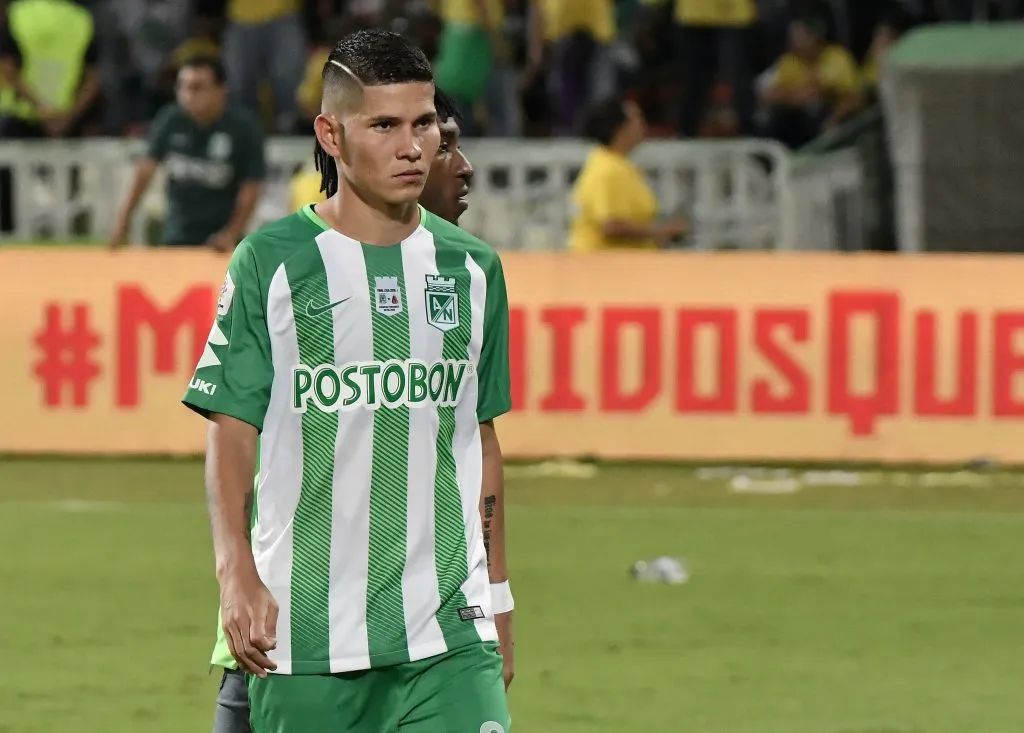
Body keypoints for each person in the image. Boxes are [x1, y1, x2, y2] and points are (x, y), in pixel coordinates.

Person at [183, 29, 514, 733]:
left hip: (447, 638)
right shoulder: (270, 264)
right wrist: (233, 570)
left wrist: (500, 599)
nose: (412, 146)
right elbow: (231, 431)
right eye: (384, 125)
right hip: (306, 636)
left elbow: (477, 439)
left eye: (423, 123)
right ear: (331, 134)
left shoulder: (472, 268)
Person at [109, 56, 265, 251]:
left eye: (197, 87)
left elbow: (251, 186)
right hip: (176, 237)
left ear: (221, 90)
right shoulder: (171, 120)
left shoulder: (243, 128)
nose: (188, 95)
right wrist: (123, 221)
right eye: (182, 87)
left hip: (220, 245)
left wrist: (231, 233)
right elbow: (145, 170)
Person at [568, 96, 686, 252]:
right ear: (619, 128)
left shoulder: (622, 166)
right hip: (604, 267)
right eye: (637, 119)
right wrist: (663, 231)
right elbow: (611, 226)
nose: (643, 125)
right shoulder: (606, 169)